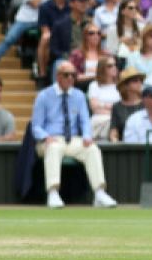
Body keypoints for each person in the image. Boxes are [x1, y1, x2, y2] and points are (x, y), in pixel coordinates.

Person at [30, 62, 118, 209]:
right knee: (53, 148)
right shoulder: (44, 96)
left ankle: (99, 193)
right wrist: (46, 137)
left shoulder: (78, 96)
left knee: (92, 149)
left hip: (72, 140)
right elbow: (36, 126)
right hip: (50, 139)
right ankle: (53, 193)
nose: (70, 78)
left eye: (73, 75)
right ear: (58, 77)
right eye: (66, 75)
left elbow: (85, 121)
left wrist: (87, 136)